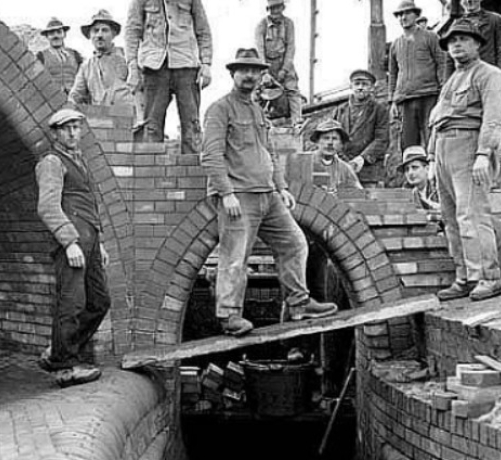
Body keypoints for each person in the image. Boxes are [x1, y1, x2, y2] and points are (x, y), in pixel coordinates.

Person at [201, 48, 337, 337]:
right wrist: (226, 193)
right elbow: (211, 154)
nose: (250, 75)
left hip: (268, 195)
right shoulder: (220, 108)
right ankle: (229, 316)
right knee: (235, 256)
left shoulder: (256, 110)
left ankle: (299, 302)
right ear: (233, 73)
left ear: (261, 75)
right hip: (239, 195)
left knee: (295, 243)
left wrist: (282, 187)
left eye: (255, 70)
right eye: (244, 70)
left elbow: (270, 152)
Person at [427, 19, 501, 302]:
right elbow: (437, 121)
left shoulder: (490, 75)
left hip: (469, 146)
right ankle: (465, 277)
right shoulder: (451, 80)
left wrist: (484, 154)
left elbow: (495, 117)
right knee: (450, 218)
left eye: (463, 39)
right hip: (443, 149)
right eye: (452, 42)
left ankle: (489, 277)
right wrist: (429, 159)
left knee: (472, 214)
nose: (456, 45)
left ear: (477, 43)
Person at [35, 108, 111, 387]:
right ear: (55, 133)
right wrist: (68, 242)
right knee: (72, 302)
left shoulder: (79, 161)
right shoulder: (52, 162)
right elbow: (47, 206)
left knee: (99, 302)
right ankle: (65, 367)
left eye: (76, 127)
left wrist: (98, 243)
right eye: (66, 128)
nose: (72, 133)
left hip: (88, 243)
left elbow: (87, 206)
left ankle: (59, 352)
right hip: (72, 245)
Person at [400, 145, 501, 280]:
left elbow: (460, 204)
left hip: (464, 217)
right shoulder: (409, 195)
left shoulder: (440, 185)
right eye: (407, 170)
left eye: (415, 167)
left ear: (427, 168)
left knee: (499, 228)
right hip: (444, 229)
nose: (411, 173)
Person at [125, 0, 213, 154]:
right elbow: (132, 30)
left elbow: (203, 31)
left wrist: (206, 64)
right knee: (151, 127)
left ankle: (191, 174)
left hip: (186, 67)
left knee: (192, 127)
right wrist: (132, 66)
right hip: (154, 69)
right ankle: (152, 174)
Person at [388, 0, 447, 151]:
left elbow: (442, 63)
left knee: (432, 137)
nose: (403, 17)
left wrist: (444, 92)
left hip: (429, 95)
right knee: (408, 142)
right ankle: (412, 172)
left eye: (407, 13)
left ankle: (433, 172)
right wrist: (393, 101)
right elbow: (393, 74)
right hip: (406, 99)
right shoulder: (396, 44)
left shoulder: (430, 37)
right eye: (400, 15)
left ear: (416, 15)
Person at [331, 69, 390, 187]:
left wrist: (362, 159)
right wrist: (344, 160)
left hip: (369, 172)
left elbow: (382, 139)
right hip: (342, 169)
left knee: (368, 203)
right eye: (357, 84)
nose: (360, 87)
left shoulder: (379, 110)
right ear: (351, 86)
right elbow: (333, 137)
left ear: (372, 87)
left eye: (364, 84)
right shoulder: (339, 111)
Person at [69, 10, 134, 108]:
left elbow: (143, 86)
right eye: (95, 31)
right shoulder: (86, 67)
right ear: (90, 36)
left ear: (113, 34)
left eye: (105, 30)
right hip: (101, 118)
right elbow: (76, 95)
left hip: (129, 116)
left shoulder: (128, 57)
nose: (99, 35)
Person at [255, 0, 303, 126]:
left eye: (277, 8)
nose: (275, 12)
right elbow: (259, 50)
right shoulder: (261, 25)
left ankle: (297, 123)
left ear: (282, 8)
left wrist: (285, 69)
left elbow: (291, 47)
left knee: (292, 90)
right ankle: (257, 124)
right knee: (258, 93)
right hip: (266, 65)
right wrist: (265, 73)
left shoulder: (288, 24)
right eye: (272, 9)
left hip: (284, 62)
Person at [443, 0, 501, 80]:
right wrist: (447, 84)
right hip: (465, 78)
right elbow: (449, 58)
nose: (469, 1)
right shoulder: (456, 23)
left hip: (489, 75)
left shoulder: (495, 20)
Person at [310, 119, 364, 195]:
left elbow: (359, 194)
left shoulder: (345, 169)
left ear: (341, 144)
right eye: (326, 138)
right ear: (317, 142)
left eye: (334, 139)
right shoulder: (305, 163)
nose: (330, 143)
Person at [36, 18, 84, 96]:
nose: (56, 36)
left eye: (59, 32)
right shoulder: (41, 56)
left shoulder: (75, 54)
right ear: (47, 36)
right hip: (51, 98)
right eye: (52, 33)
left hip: (73, 98)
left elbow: (83, 78)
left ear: (64, 34)